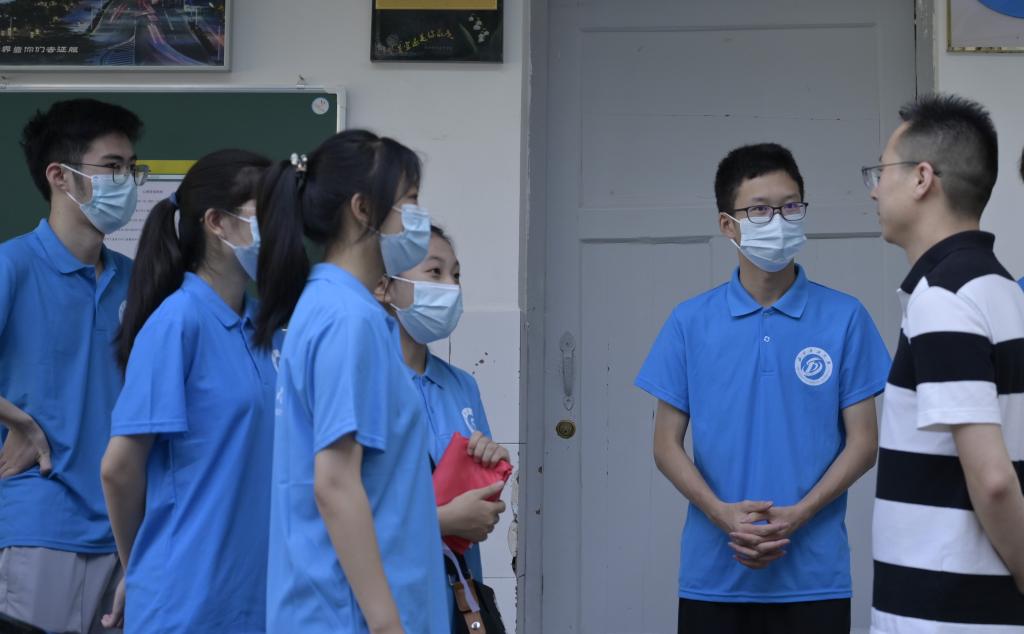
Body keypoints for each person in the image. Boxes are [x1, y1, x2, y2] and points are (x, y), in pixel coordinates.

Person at [635, 143, 891, 634]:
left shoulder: (845, 317)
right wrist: (722, 515)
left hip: (815, 576)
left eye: (790, 206)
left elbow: (863, 443)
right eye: (759, 209)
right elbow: (665, 445)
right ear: (728, 225)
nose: (777, 220)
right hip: (714, 575)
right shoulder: (690, 322)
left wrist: (799, 514)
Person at [256, 131, 449, 633]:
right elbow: (336, 483)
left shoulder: (331, 306)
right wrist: (387, 623)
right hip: (351, 615)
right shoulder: (348, 320)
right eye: (409, 201)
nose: (417, 217)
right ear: (363, 208)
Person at [99, 149, 276, 633]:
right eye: (268, 213)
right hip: (186, 600)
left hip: (255, 597)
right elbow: (119, 469)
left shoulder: (266, 328)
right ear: (217, 222)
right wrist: (138, 568)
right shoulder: (178, 321)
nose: (283, 230)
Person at [867, 94, 1024, 633]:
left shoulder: (944, 299)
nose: (875, 189)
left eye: (882, 172)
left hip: (945, 614)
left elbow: (994, 480)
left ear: (922, 178)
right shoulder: (1001, 289)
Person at [0, 99, 144, 633]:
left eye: (131, 168)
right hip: (42, 524)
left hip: (128, 529)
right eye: (112, 166)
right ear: (60, 176)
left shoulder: (137, 280)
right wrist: (19, 421)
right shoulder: (12, 265)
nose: (126, 181)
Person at [373, 225, 508, 628]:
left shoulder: (462, 386)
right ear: (384, 286)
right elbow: (344, 508)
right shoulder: (365, 383)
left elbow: (482, 504)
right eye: (435, 272)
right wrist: (443, 521)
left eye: (456, 275)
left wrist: (492, 466)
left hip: (456, 603)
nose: (450, 286)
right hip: (389, 604)